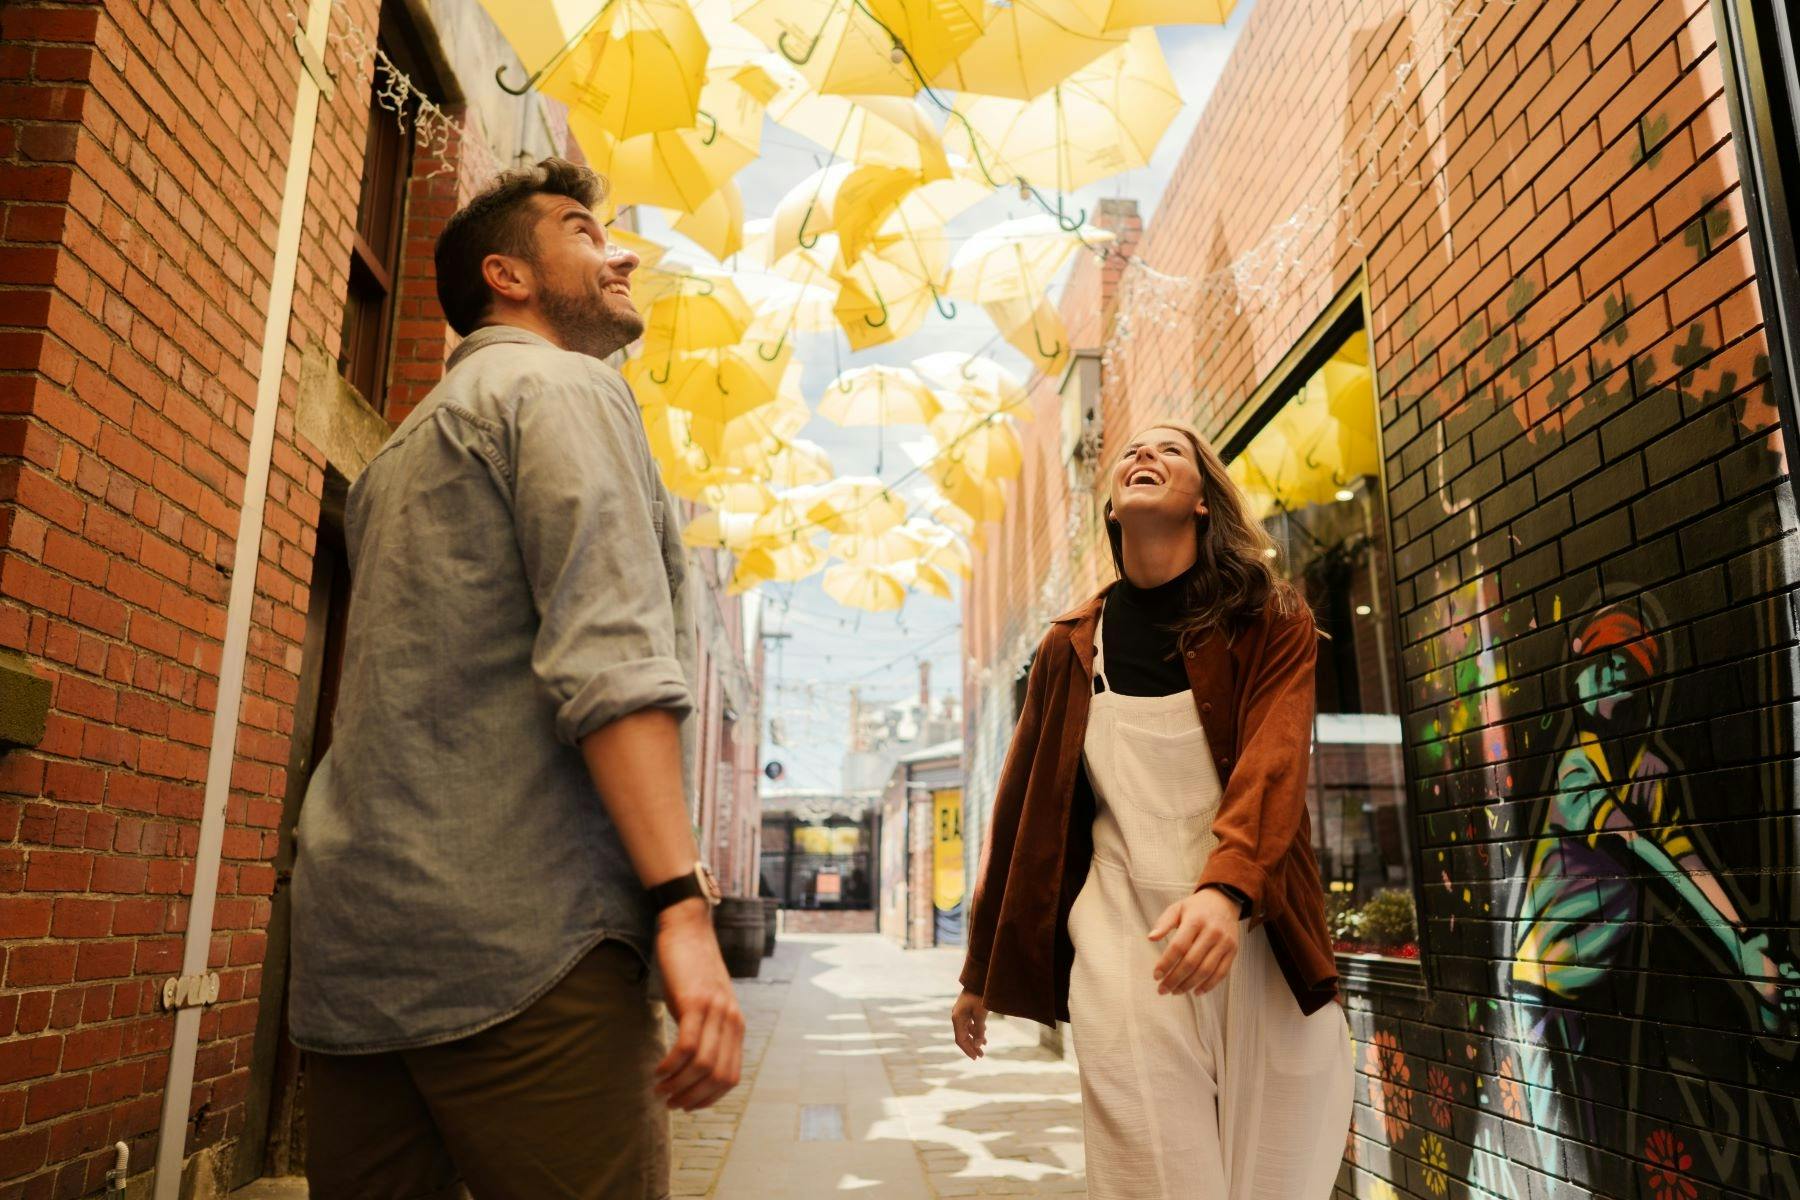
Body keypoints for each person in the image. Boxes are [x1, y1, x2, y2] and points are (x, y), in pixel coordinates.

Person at [288, 158, 743, 1199]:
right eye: (585, 231)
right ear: (510, 275)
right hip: (527, 951)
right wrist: (681, 906)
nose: (620, 250)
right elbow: (612, 657)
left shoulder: (404, 447)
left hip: (355, 957)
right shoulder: (563, 387)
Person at [950, 420, 1353, 1199]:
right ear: (1111, 508)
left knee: (1280, 1173)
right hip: (1123, 943)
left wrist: (1225, 889)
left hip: (1261, 934)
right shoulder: (1069, 646)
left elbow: (1273, 765)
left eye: (1171, 451)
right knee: (1155, 1181)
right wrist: (980, 970)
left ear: (1204, 501)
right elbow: (1024, 817)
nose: (1144, 455)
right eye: (1132, 451)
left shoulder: (1272, 620)